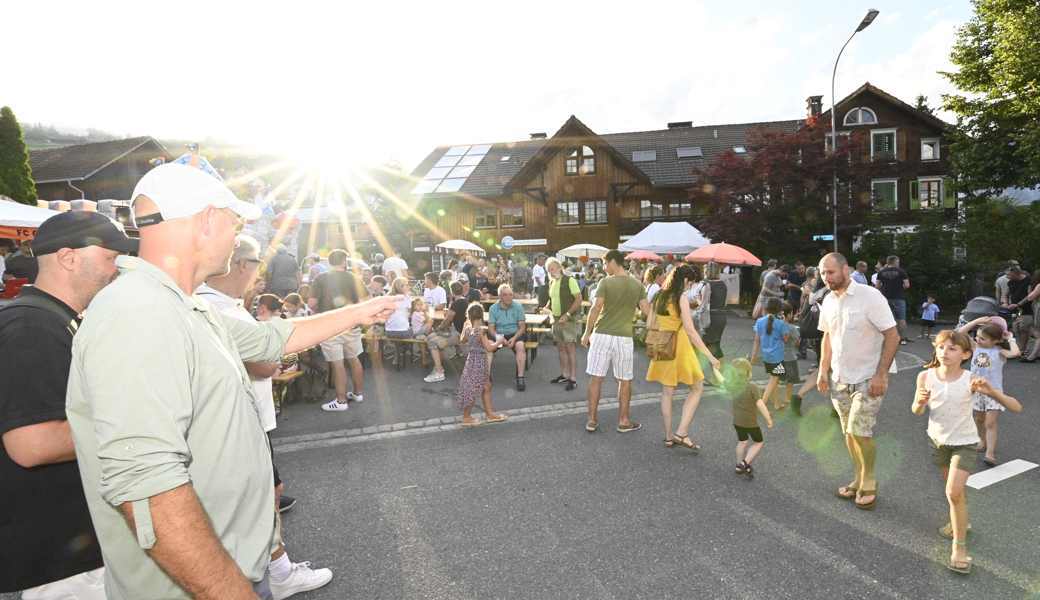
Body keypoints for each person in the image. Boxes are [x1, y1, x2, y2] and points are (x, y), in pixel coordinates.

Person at [64, 163, 399, 600]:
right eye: (234, 221)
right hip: (199, 583)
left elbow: (270, 339)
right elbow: (147, 483)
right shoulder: (139, 312)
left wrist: (361, 311)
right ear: (205, 219)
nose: (236, 235)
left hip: (229, 565)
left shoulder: (182, 306)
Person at [1, 212, 138, 599]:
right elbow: (33, 443)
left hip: (69, 544)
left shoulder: (55, 319)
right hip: (60, 557)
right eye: (112, 257)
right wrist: (143, 422)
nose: (118, 269)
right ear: (68, 257)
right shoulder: (31, 326)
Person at [195, 237, 333, 598]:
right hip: (243, 420)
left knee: (270, 492)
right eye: (259, 265)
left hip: (249, 416)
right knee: (264, 496)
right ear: (242, 264)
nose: (262, 275)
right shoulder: (216, 307)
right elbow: (263, 361)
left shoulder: (223, 304)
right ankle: (273, 574)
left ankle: (276, 568)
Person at [912, 330, 1021, 575]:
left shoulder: (971, 379)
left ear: (966, 354)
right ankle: (958, 522)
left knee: (953, 491)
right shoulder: (925, 376)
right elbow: (916, 411)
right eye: (941, 347)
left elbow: (1016, 407)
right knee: (954, 494)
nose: (944, 352)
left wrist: (992, 392)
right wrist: (919, 402)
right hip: (937, 442)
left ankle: (959, 547)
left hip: (966, 443)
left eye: (952, 349)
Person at [816, 252, 899, 510]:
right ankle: (857, 477)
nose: (826, 277)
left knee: (859, 431)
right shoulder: (828, 300)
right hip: (840, 377)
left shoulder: (870, 296)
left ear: (845, 269)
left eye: (831, 272)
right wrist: (822, 372)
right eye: (822, 273)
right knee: (848, 433)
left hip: (867, 376)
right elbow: (827, 337)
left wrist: (881, 374)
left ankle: (870, 478)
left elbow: (892, 336)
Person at [647, 265, 720, 450]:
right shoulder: (680, 299)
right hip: (679, 347)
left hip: (662, 347)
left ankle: (669, 436)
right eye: (690, 282)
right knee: (696, 388)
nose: (690, 286)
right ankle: (682, 432)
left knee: (667, 393)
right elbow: (691, 331)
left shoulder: (658, 296)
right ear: (684, 280)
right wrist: (711, 357)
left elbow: (649, 322)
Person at [581, 250, 651, 433]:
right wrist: (635, 312)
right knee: (624, 379)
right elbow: (645, 310)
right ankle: (623, 421)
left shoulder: (605, 282)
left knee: (596, 377)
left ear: (613, 262)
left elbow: (596, 308)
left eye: (605, 264)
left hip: (602, 334)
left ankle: (592, 420)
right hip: (624, 336)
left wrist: (586, 332)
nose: (604, 268)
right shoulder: (637, 284)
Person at [309, 249, 374, 412]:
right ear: (344, 261)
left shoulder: (321, 278)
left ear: (329, 261)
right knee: (354, 359)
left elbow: (310, 304)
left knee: (338, 364)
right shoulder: (354, 278)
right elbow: (369, 301)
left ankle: (341, 401)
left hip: (330, 327)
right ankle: (357, 393)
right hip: (351, 324)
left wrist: (320, 308)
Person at [956, 318, 1019, 467]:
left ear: (996, 340)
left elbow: (1015, 353)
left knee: (990, 423)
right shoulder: (976, 347)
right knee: (979, 419)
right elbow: (960, 333)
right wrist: (977, 321)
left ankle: (990, 453)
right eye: (977, 336)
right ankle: (982, 440)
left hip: (993, 393)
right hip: (976, 391)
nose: (978, 339)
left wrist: (1010, 339)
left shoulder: (1000, 352)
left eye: (982, 338)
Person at [457, 303, 509, 426]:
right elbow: (490, 348)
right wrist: (499, 341)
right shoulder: (481, 331)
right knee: (473, 388)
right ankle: (466, 417)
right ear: (481, 315)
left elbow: (462, 340)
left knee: (486, 385)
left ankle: (489, 414)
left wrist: (465, 327)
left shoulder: (468, 327)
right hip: (480, 361)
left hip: (471, 360)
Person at [725, 358, 773, 478]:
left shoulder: (731, 385)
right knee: (758, 442)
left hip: (737, 421)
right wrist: (768, 419)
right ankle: (745, 463)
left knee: (742, 442)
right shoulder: (752, 388)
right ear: (749, 374)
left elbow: (721, 379)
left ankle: (738, 465)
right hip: (751, 423)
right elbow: (761, 405)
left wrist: (715, 368)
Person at [541, 257, 582, 391]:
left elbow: (579, 299)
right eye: (548, 270)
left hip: (568, 319)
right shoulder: (552, 281)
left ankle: (573, 378)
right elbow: (552, 300)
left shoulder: (570, 280)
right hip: (556, 319)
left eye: (552, 269)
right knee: (560, 346)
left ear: (559, 268)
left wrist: (568, 314)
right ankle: (565, 375)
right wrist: (546, 308)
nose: (551, 272)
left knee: (570, 348)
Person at [423, 281, 470, 383]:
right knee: (430, 337)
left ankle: (439, 372)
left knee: (432, 341)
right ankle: (438, 365)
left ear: (452, 291)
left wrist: (439, 327)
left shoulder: (456, 304)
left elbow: (448, 319)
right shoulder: (465, 301)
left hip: (459, 333)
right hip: (459, 330)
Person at [751, 298, 790, 411]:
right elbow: (786, 339)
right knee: (774, 380)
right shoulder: (780, 323)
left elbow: (756, 340)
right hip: (777, 357)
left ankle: (777, 403)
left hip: (766, 356)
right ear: (779, 309)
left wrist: (753, 355)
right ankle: (762, 404)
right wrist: (785, 324)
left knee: (773, 379)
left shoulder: (760, 321)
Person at [488, 284, 528, 391]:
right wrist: (498, 338)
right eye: (505, 295)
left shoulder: (518, 306)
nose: (509, 297)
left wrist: (514, 338)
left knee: (520, 346)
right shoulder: (493, 308)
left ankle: (520, 377)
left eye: (510, 294)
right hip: (499, 334)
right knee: (488, 346)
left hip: (515, 334)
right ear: (499, 296)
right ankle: (486, 378)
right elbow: (491, 328)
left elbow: (522, 327)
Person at [876, 255, 911, 344]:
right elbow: (907, 285)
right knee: (901, 319)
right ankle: (903, 338)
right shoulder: (901, 271)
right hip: (899, 297)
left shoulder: (881, 272)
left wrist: (884, 288)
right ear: (895, 262)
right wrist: (901, 288)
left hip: (886, 298)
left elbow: (877, 286)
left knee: (886, 319)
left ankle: (887, 338)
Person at [701, 261, 729, 371]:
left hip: (711, 317)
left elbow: (704, 303)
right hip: (721, 315)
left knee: (712, 346)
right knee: (715, 344)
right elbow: (725, 302)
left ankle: (719, 374)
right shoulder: (723, 284)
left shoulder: (707, 285)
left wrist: (697, 299)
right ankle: (718, 374)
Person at [381, 277, 414, 367]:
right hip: (403, 332)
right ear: (400, 286)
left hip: (388, 332)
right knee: (415, 330)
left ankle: (397, 357)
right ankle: (408, 349)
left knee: (399, 334)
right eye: (406, 285)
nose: (408, 287)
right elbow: (410, 312)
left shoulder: (388, 297)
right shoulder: (406, 297)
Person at [410, 296, 433, 365]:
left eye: (421, 305)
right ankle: (427, 333)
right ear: (414, 307)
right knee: (431, 321)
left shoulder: (415, 313)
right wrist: (424, 311)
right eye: (418, 305)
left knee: (428, 322)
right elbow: (426, 320)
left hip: (416, 330)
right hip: (419, 331)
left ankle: (427, 332)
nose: (420, 306)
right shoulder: (418, 314)